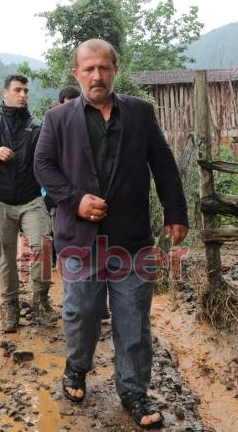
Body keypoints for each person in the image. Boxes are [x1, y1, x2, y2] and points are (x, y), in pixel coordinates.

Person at [34, 39, 188, 429]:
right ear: (77, 73)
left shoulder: (139, 113)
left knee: (133, 318)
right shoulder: (59, 119)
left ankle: (133, 391)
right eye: (88, 69)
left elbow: (164, 165)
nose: (96, 76)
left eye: (103, 68)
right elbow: (43, 166)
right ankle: (76, 367)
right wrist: (74, 200)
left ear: (114, 70)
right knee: (80, 312)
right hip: (79, 239)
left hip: (132, 239)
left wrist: (176, 211)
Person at [0, 74, 56, 332]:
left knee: (43, 246)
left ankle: (40, 298)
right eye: (18, 90)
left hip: (31, 199)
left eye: (26, 91)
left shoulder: (36, 126)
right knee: (5, 256)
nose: (23, 95)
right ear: (5, 93)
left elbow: (48, 160)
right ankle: (10, 306)